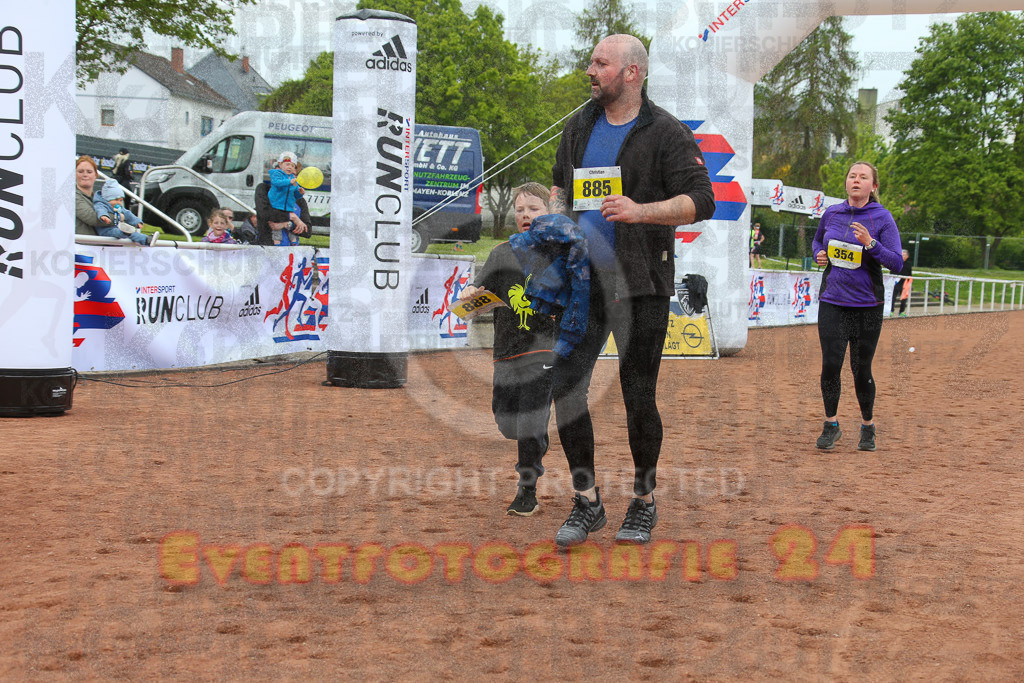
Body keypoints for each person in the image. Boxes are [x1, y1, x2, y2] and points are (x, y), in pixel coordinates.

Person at [548, 34, 715, 546]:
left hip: (642, 284)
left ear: (632, 73)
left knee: (637, 395)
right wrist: (557, 224)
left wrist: (641, 211)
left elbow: (701, 200)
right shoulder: (580, 125)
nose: (590, 70)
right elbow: (559, 186)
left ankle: (643, 502)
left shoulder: (665, 132)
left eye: (601, 63)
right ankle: (587, 501)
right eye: (591, 61)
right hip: (584, 283)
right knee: (566, 388)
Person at [457, 183, 560, 516]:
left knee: (529, 422)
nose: (525, 215)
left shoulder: (561, 250)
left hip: (544, 352)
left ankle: (526, 489)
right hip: (505, 351)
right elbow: (482, 288)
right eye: (520, 210)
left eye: (533, 209)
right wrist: (471, 294)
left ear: (548, 212)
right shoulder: (501, 252)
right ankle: (536, 438)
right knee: (506, 423)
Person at [812, 161, 903, 452]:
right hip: (832, 301)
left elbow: (897, 263)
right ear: (846, 183)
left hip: (867, 305)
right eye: (852, 176)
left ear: (873, 186)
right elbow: (817, 240)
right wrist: (818, 254)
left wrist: (870, 243)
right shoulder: (832, 212)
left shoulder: (882, 217)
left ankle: (867, 426)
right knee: (830, 366)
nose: (856, 180)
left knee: (860, 369)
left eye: (863, 177)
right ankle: (831, 425)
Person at [93, 180, 160, 247]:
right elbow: (100, 210)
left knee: (129, 232)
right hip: (105, 230)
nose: (119, 202)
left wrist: (137, 222)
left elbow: (128, 214)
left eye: (121, 200)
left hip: (116, 229)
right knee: (127, 232)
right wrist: (104, 216)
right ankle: (145, 240)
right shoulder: (101, 204)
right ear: (107, 199)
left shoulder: (118, 207)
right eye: (116, 200)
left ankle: (146, 239)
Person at [267, 152, 308, 241]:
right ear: (280, 164)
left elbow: (296, 195)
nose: (290, 167)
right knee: (277, 227)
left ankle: (293, 240)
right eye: (287, 164)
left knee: (290, 227)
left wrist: (300, 193)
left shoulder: (293, 179)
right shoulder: (276, 174)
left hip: (288, 208)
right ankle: (276, 241)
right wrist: (289, 182)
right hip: (276, 207)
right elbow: (277, 183)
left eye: (293, 166)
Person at [75, 156, 107, 235]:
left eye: (89, 172)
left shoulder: (100, 198)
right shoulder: (72, 196)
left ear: (95, 175)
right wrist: (119, 217)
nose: (85, 175)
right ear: (75, 174)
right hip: (80, 246)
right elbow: (93, 218)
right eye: (80, 171)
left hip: (101, 246)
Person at [892, 249, 912, 316]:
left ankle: (901, 312)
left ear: (907, 256)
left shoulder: (909, 264)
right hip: (896, 283)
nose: (902, 256)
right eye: (901, 255)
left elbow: (910, 274)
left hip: (904, 284)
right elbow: (891, 272)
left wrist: (909, 282)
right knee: (893, 297)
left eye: (904, 255)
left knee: (904, 298)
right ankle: (891, 310)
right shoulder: (896, 262)